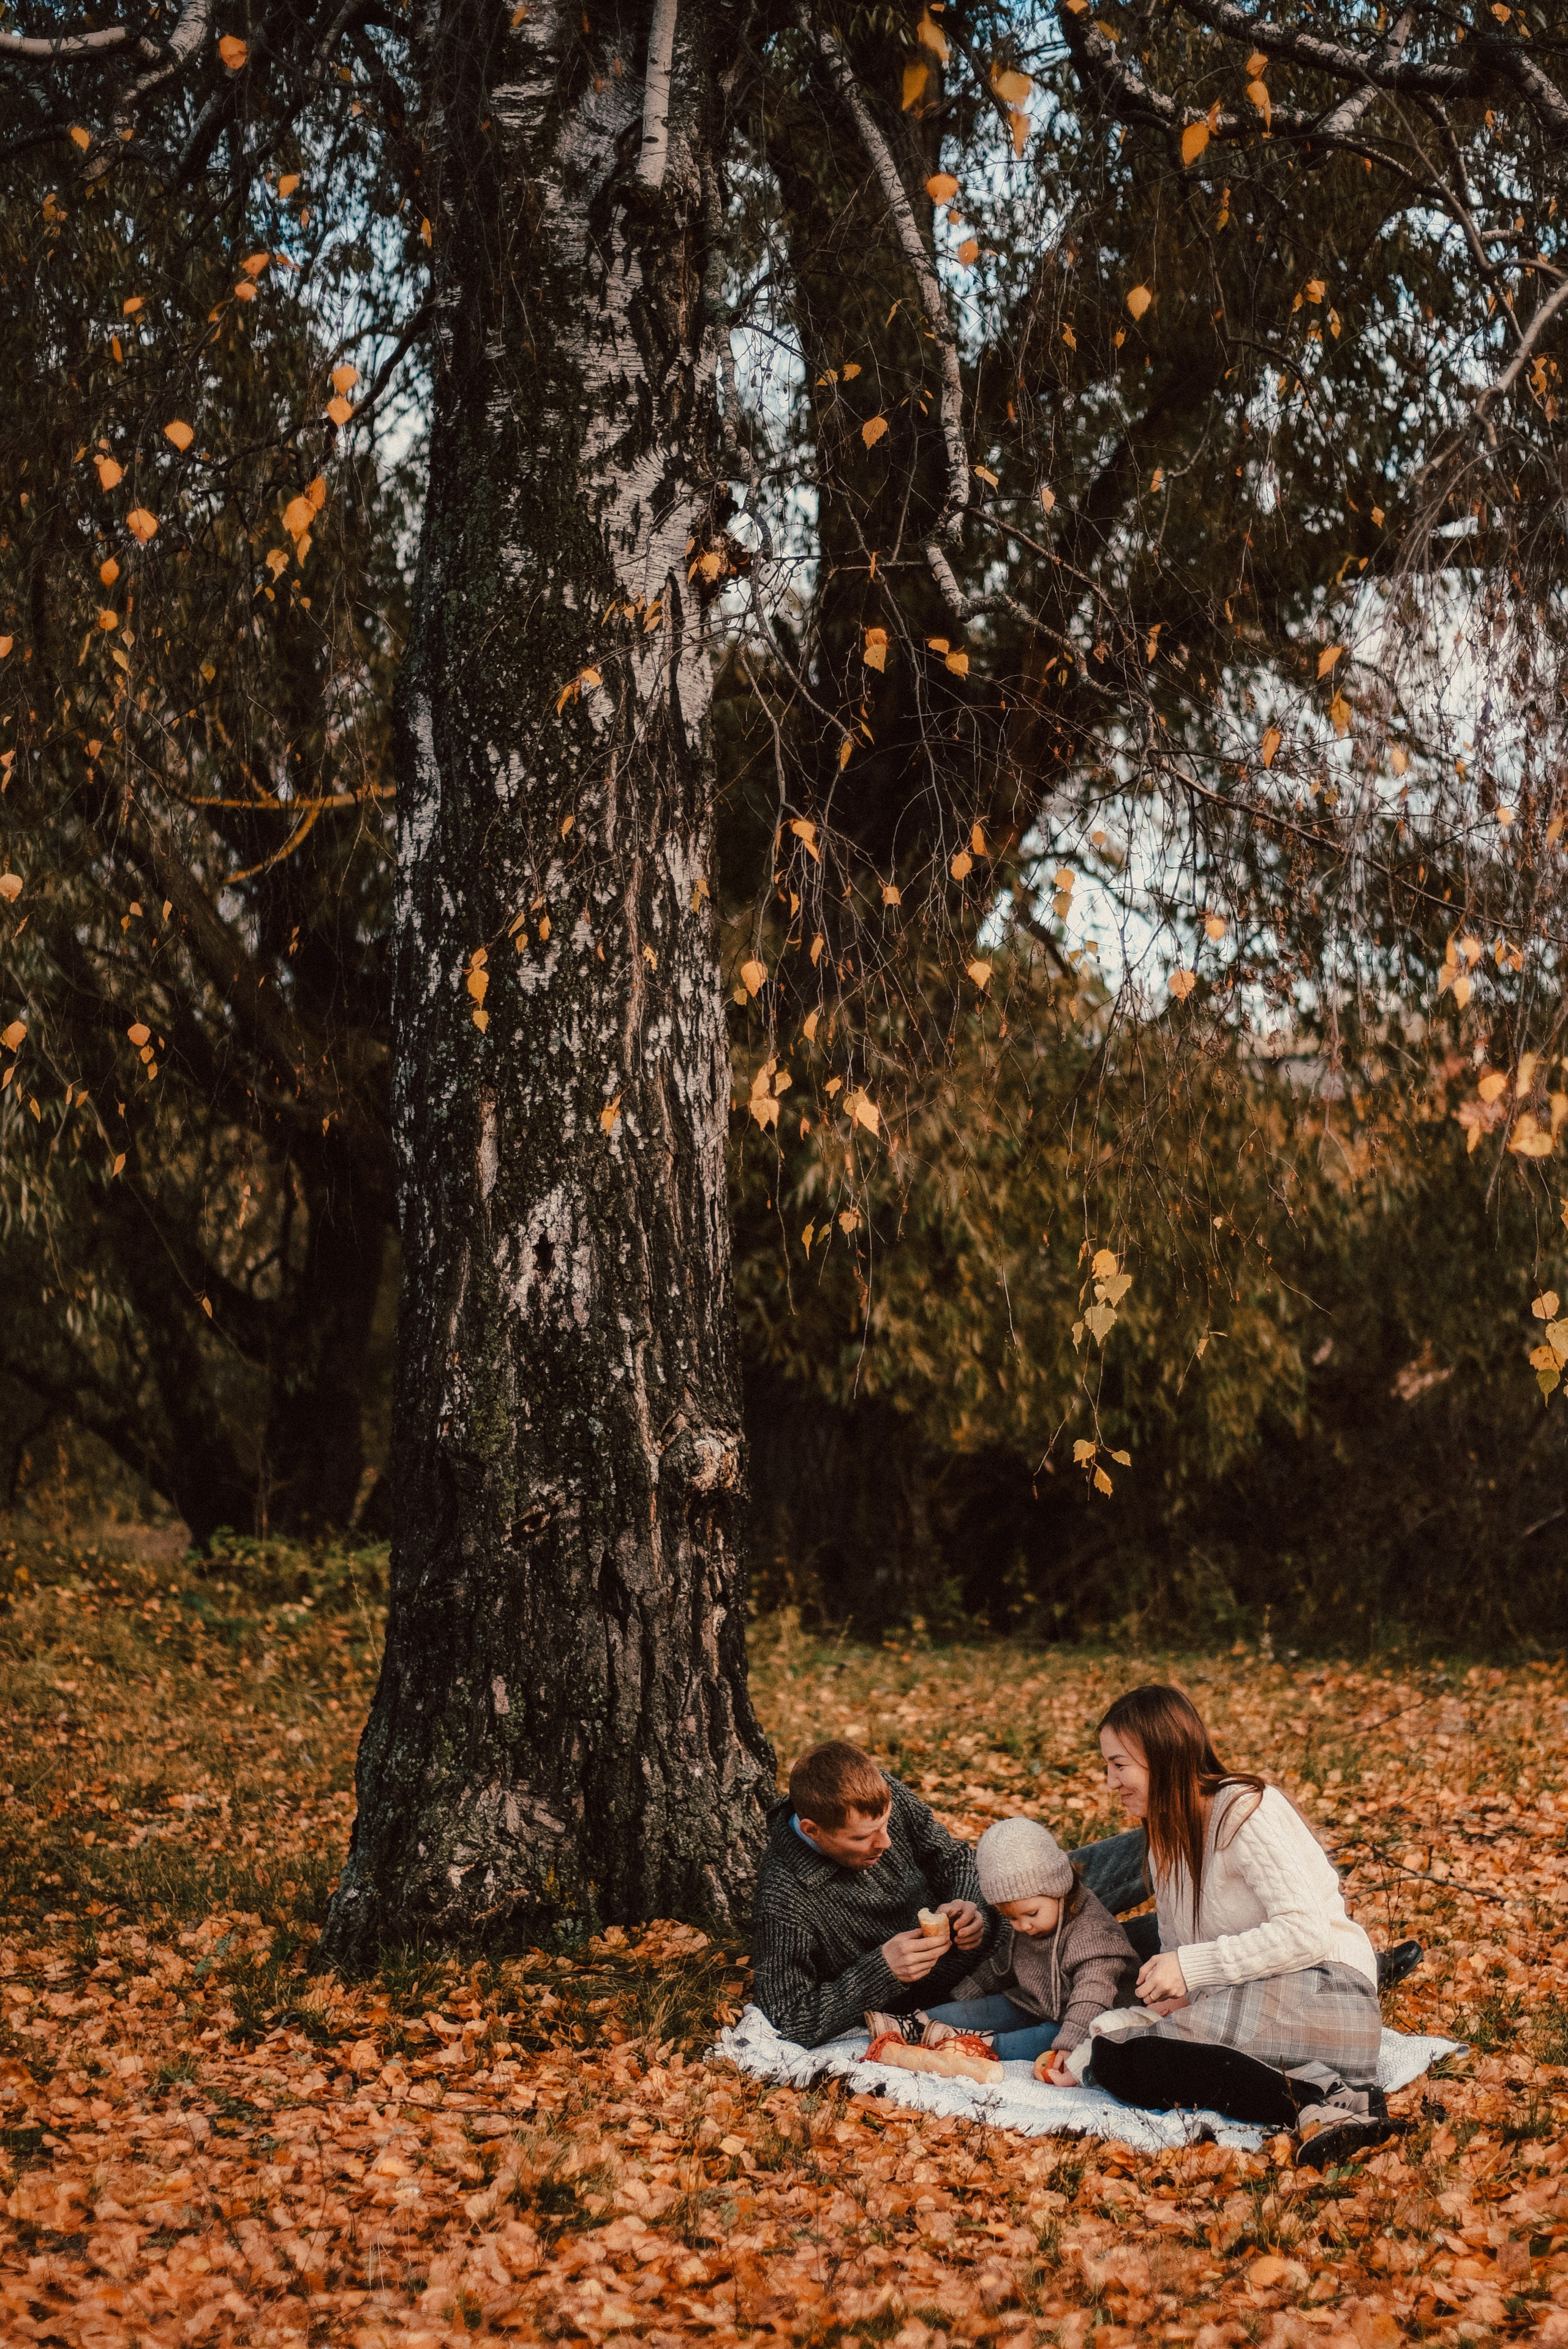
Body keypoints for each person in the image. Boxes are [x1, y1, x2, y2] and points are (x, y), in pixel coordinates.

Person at [1079, 1684, 1400, 2165]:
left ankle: (1336, 2101)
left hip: (1327, 1992)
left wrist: (1189, 1967)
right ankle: (1319, 2100)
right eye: (1108, 1765)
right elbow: (1187, 1955)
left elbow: (1305, 1932)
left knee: (1126, 2058)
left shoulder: (1245, 1808)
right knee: (1116, 2061)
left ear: (1163, 1756)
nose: (1110, 1781)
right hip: (1254, 2002)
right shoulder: (1165, 1838)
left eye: (1120, 1764)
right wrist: (1175, 1995)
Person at [750, 1741, 992, 2046]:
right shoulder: (784, 1901)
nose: (886, 1842)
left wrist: (970, 1903)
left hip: (1012, 1937)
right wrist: (882, 1971)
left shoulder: (880, 1793)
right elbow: (788, 2021)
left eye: (886, 1823)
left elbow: (953, 1857)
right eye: (864, 1837)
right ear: (812, 1830)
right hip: (954, 2001)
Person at [906, 1815, 1139, 2067]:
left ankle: (979, 2045)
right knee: (982, 2010)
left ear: (1059, 1889)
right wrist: (961, 1998)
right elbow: (1000, 1968)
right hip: (1036, 2003)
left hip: (1089, 2021)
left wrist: (1070, 2045)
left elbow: (1092, 1996)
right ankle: (916, 2023)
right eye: (1012, 1918)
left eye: (1031, 1914)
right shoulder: (1031, 1925)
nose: (1023, 1926)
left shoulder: (1093, 1934)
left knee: (1038, 2038)